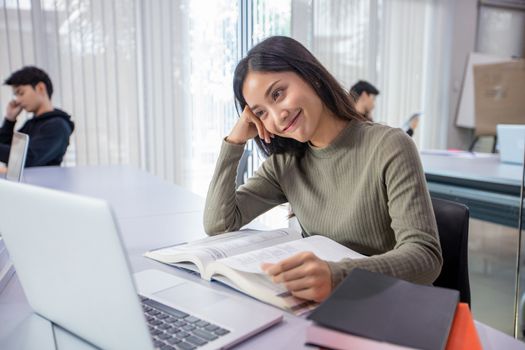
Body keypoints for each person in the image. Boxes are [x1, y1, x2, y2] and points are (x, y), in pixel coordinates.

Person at [203, 36, 442, 303]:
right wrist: (234, 142)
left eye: (278, 93)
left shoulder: (389, 146)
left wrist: (338, 277)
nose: (277, 116)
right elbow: (219, 224)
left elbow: (425, 256)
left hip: (389, 304)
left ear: (311, 75)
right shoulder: (285, 164)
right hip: (323, 306)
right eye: (261, 113)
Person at [0, 66, 75, 167]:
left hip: (42, 182)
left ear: (40, 88)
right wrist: (10, 119)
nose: (17, 100)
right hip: (23, 182)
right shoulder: (31, 124)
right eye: (16, 95)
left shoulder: (57, 126)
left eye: (21, 93)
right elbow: (7, 149)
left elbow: (27, 158)